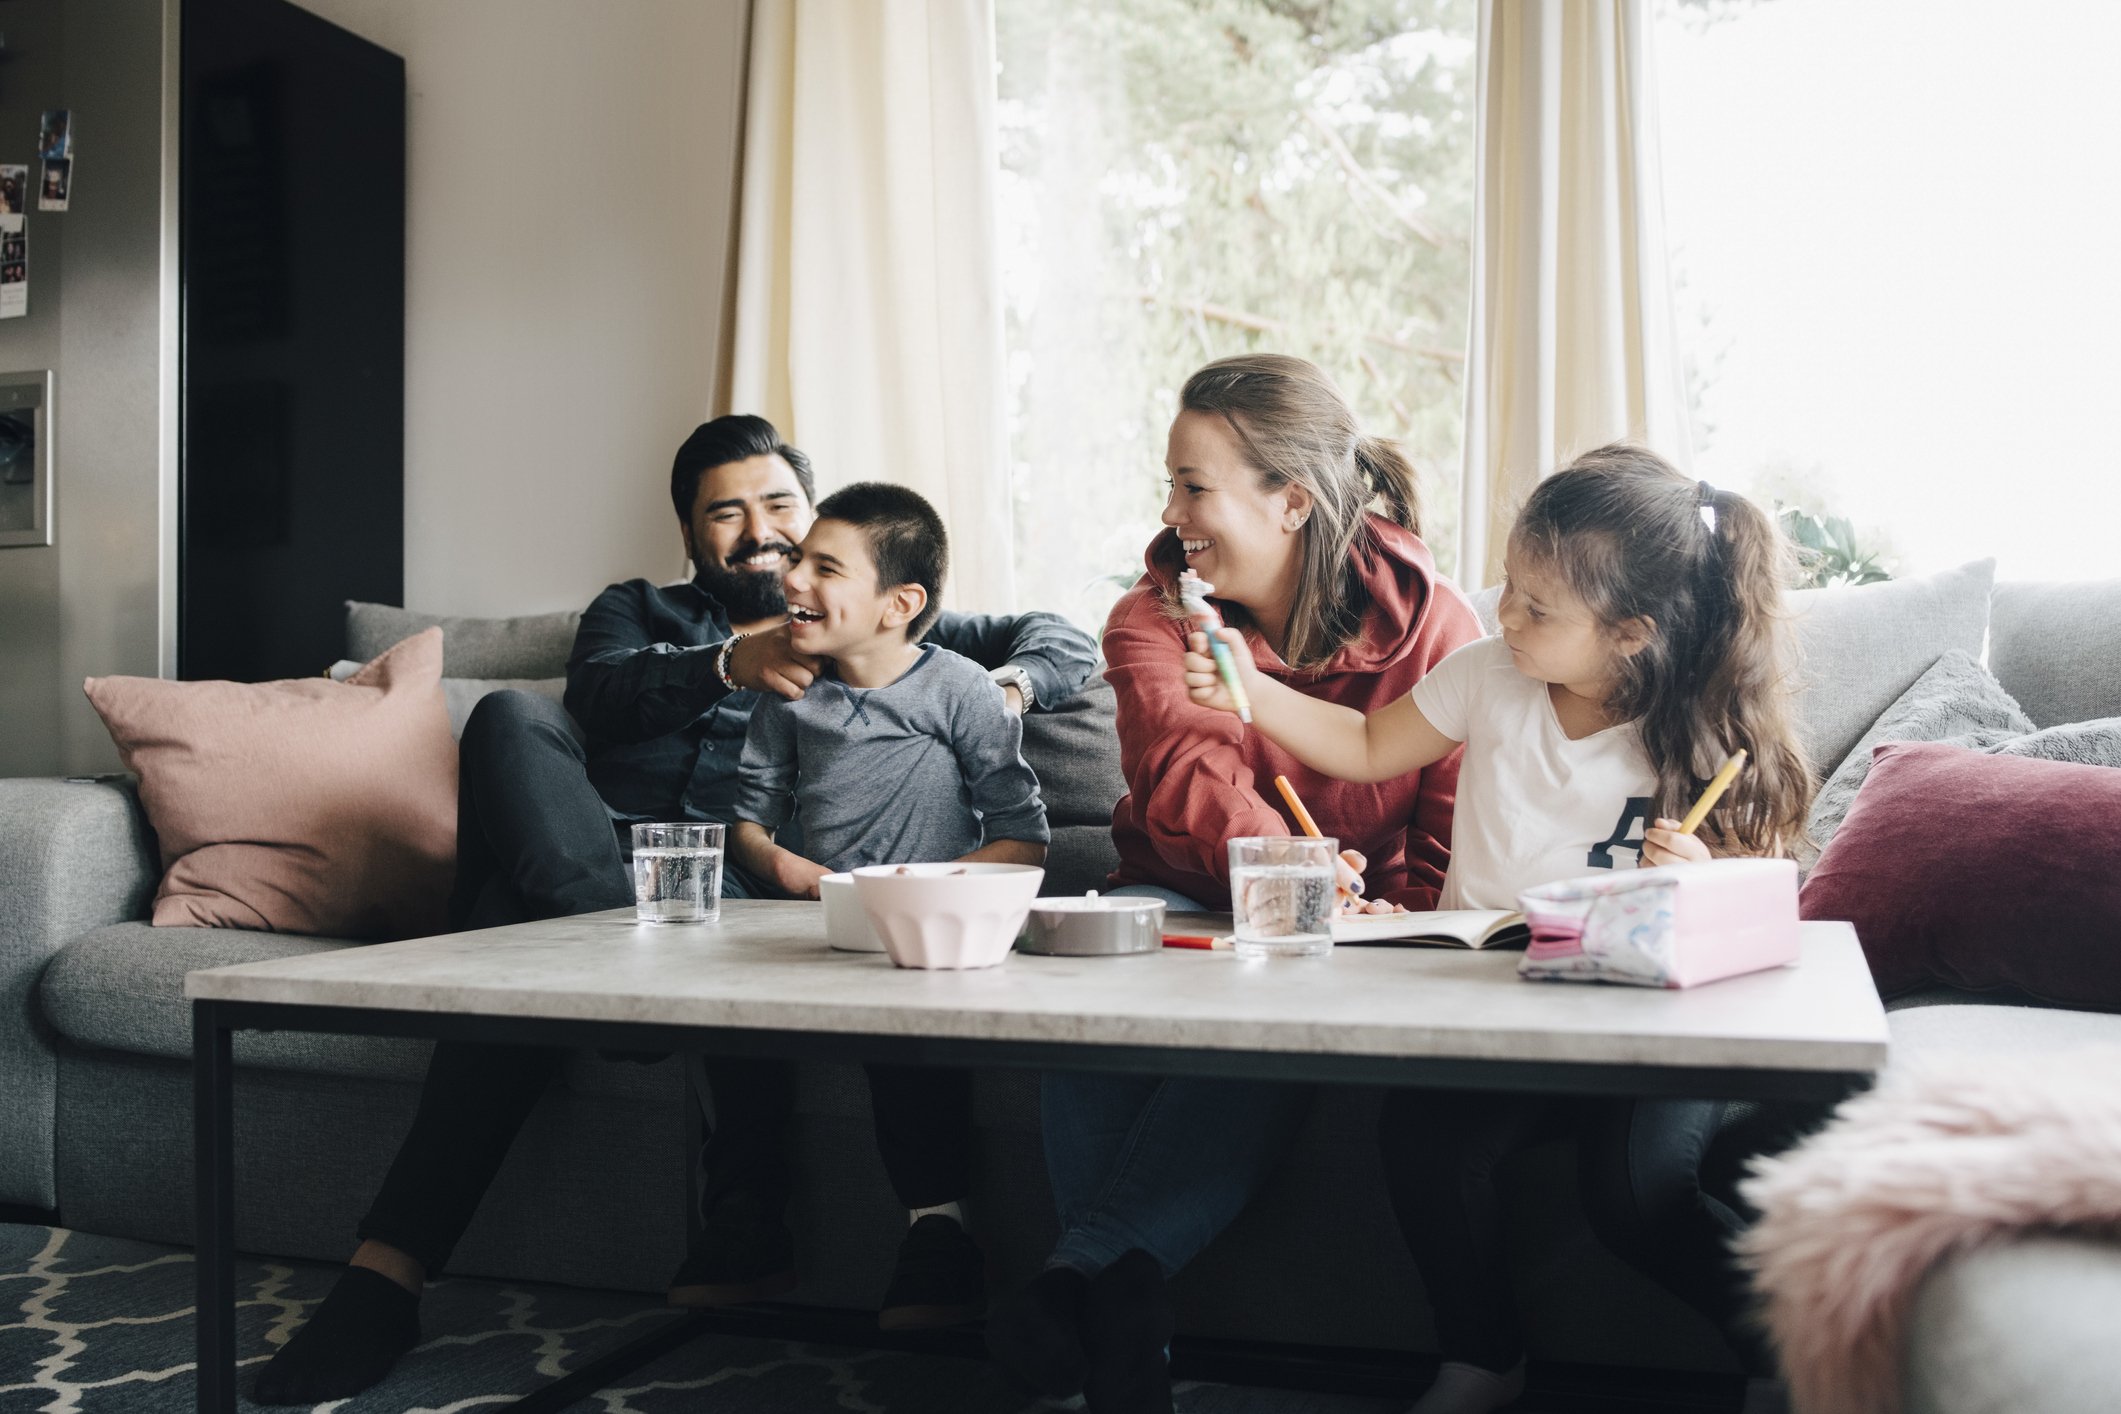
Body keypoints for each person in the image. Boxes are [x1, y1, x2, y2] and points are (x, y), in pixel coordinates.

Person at [254, 415, 1098, 1405]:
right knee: (508, 719)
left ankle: (382, 1275)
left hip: (730, 888)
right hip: (594, 860)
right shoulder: (640, 608)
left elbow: (1063, 641)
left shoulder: (867, 623)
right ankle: (608, 953)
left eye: (780, 504)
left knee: (508, 922)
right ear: (693, 535)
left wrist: (1004, 688)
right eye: (725, 512)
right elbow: (597, 698)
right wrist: (725, 667)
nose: (759, 530)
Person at [1182, 444, 1811, 1414]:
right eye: (1509, 588)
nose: (1504, 615)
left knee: (1631, 1193)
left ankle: (1787, 1351)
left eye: (1537, 608)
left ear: (1633, 632)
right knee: (1425, 1141)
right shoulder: (1487, 673)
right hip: (1509, 1001)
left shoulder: (1700, 729)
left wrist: (1706, 878)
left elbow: (1766, 896)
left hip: (1650, 1023)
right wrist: (1250, 694)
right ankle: (1482, 1356)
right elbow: (1363, 745)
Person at [984, 354, 1482, 1414]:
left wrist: (1425, 930)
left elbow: (1452, 817)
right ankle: (1113, 1315)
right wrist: (1292, 874)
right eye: (1170, 482)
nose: (1169, 512)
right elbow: (1189, 778)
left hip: (1352, 926)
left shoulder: (1439, 626)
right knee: (1087, 988)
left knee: (1275, 991)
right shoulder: (1148, 618)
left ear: (1290, 499)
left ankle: (1078, 1297)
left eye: (1193, 485)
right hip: (1173, 890)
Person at [724, 480, 1051, 1327]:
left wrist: (929, 897)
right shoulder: (791, 691)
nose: (793, 580)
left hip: (925, 932)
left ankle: (938, 1236)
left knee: (899, 1032)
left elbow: (1024, 835)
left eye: (823, 567)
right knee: (724, 1013)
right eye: (798, 561)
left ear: (898, 604)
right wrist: (789, 872)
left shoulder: (962, 690)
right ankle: (739, 1230)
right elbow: (749, 821)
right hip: (816, 914)